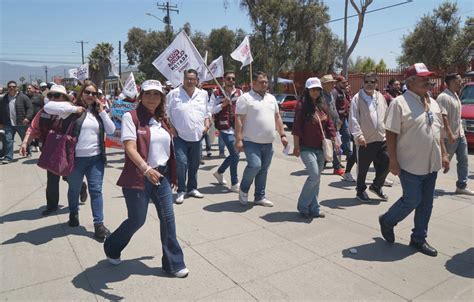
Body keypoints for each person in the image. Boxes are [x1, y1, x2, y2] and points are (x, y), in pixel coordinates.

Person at [104, 80, 188, 278]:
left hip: (162, 176)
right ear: (141, 96)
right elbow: (130, 148)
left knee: (168, 219)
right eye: (148, 93)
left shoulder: (162, 120)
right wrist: (146, 168)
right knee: (137, 220)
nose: (152, 98)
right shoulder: (130, 117)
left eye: (156, 94)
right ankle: (112, 246)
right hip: (138, 177)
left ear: (161, 98)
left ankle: (173, 263)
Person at [379, 63, 450, 257]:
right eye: (423, 78)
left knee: (426, 203)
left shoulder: (433, 102)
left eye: (429, 78)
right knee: (412, 199)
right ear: (410, 82)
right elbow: (391, 134)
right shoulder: (399, 103)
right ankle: (388, 220)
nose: (428, 81)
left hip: (431, 163)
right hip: (410, 163)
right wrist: (392, 160)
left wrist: (443, 154)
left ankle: (418, 238)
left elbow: (438, 133)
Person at [43, 80, 115, 239]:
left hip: (96, 159)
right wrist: (74, 108)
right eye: (87, 92)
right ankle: (73, 213)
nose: (90, 95)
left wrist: (103, 112)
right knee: (74, 189)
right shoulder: (70, 110)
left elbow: (111, 130)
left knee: (96, 191)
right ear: (81, 93)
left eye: (94, 93)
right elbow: (48, 107)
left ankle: (99, 225)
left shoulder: (98, 112)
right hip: (75, 159)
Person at [20, 85, 88, 215]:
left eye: (56, 95)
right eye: (50, 95)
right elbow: (33, 128)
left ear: (64, 97)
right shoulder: (44, 111)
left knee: (68, 176)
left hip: (67, 149)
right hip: (49, 149)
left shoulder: (71, 110)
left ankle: (81, 187)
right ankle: (52, 206)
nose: (52, 98)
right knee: (52, 178)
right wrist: (25, 142)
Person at [235, 71, 288, 207]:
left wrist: (282, 135)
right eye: (261, 82)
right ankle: (244, 189)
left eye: (266, 82)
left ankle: (259, 196)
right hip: (251, 142)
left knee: (263, 169)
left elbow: (277, 118)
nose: (264, 84)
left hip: (268, 143)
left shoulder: (271, 98)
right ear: (253, 83)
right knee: (255, 165)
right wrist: (239, 139)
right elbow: (239, 120)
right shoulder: (245, 98)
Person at [293, 77, 338, 218]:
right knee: (314, 175)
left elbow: (329, 124)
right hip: (306, 147)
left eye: (318, 89)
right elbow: (296, 128)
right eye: (313, 89)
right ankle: (303, 206)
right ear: (307, 90)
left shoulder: (322, 105)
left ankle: (314, 208)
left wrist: (335, 139)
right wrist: (296, 146)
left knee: (317, 178)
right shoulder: (301, 106)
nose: (315, 92)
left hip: (320, 148)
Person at [166, 69, 211, 204]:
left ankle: (192, 188)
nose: (190, 81)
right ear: (183, 79)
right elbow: (166, 113)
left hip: (198, 136)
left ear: (197, 80)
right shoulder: (173, 94)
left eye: (193, 79)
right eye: (188, 79)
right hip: (179, 136)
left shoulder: (203, 94)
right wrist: (171, 128)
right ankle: (181, 190)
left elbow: (207, 112)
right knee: (181, 163)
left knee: (195, 164)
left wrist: (207, 124)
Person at [350, 72, 390, 202]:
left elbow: (387, 115)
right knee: (363, 168)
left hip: (382, 138)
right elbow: (354, 118)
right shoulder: (357, 98)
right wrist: (358, 135)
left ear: (376, 83)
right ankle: (360, 191)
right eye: (367, 81)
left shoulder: (380, 97)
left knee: (387, 161)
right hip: (365, 140)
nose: (369, 84)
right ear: (363, 83)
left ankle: (376, 186)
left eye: (372, 82)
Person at [437, 73, 474, 195]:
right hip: (449, 137)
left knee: (463, 160)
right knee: (439, 162)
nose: (461, 82)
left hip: (460, 134)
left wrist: (459, 133)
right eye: (459, 80)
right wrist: (449, 133)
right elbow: (443, 116)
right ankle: (424, 184)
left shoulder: (456, 96)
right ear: (452, 81)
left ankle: (461, 186)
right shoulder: (444, 97)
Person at [210, 71, 242, 192]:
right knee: (235, 154)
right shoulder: (216, 93)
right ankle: (235, 183)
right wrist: (222, 105)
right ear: (224, 80)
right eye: (229, 79)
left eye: (233, 79)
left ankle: (219, 172)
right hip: (224, 129)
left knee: (235, 154)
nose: (231, 81)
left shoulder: (239, 92)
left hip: (237, 128)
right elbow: (211, 110)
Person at [0, 80, 33, 164]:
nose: (11, 88)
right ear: (7, 88)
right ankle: (8, 157)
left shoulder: (23, 97)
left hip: (21, 123)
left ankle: (28, 151)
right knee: (8, 140)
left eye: (13, 86)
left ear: (16, 87)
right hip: (8, 124)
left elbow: (30, 108)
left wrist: (27, 118)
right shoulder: (4, 98)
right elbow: (1, 111)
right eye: (10, 87)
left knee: (24, 139)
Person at [332, 76, 352, 176]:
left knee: (347, 136)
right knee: (334, 142)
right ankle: (336, 165)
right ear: (338, 83)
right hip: (337, 121)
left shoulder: (343, 92)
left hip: (343, 120)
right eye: (343, 82)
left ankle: (350, 156)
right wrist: (336, 120)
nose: (345, 84)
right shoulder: (334, 92)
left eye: (346, 82)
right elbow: (333, 107)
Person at [26, 83, 44, 152]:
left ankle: (37, 144)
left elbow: (43, 106)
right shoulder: (25, 97)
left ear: (34, 89)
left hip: (38, 118)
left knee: (37, 131)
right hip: (28, 118)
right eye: (27, 88)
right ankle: (30, 145)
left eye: (29, 88)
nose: (28, 90)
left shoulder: (39, 96)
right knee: (29, 132)